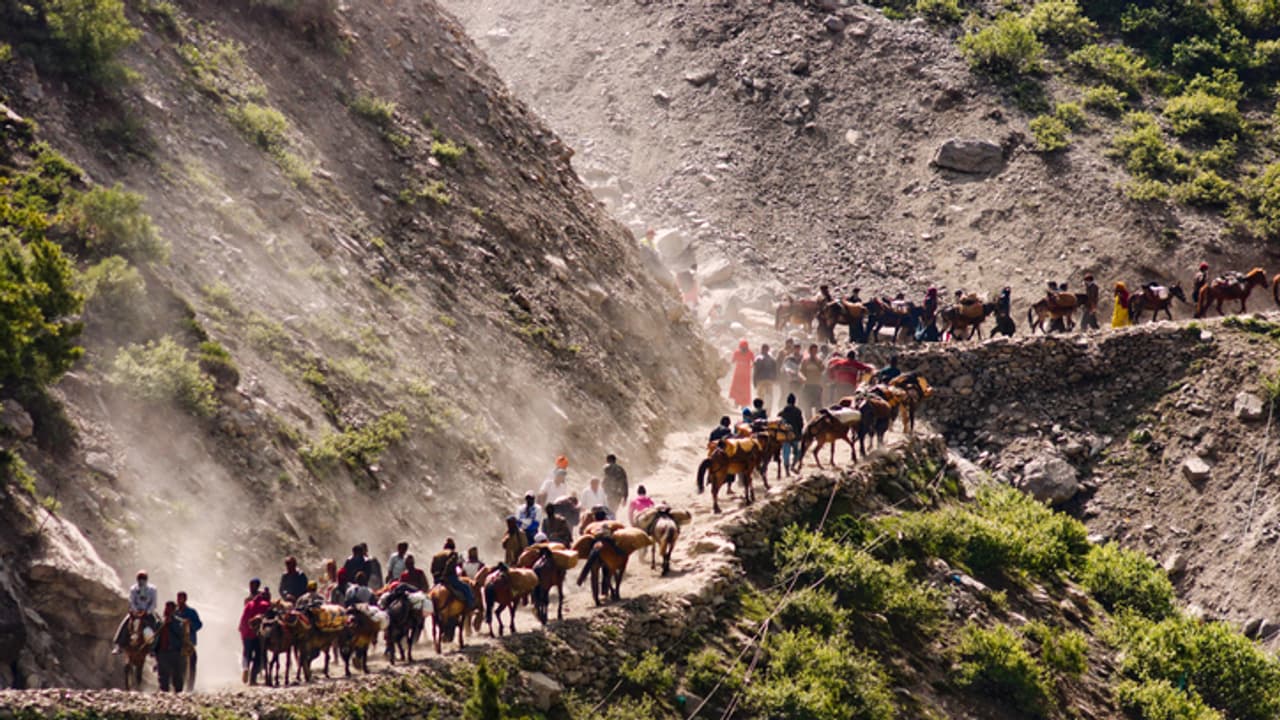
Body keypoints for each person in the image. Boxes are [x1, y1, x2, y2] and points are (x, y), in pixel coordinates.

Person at [112, 570, 158, 654]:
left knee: (156, 625)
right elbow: (132, 601)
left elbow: (153, 603)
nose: (141, 581)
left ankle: (153, 648)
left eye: (143, 579)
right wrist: (136, 611)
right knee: (125, 624)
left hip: (147, 613)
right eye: (140, 579)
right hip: (136, 613)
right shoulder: (133, 589)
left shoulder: (152, 589)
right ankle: (119, 645)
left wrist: (147, 611)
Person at [152, 601, 190, 693]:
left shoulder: (179, 622)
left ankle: (178, 695)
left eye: (169, 609)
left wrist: (171, 623)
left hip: (175, 652)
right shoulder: (159, 622)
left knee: (177, 676)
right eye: (166, 608)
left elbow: (180, 634)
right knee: (163, 676)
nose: (167, 610)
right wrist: (153, 650)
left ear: (173, 610)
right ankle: (164, 694)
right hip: (162, 652)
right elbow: (156, 637)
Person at [239, 588, 270, 685]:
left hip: (246, 633)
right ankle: (253, 678)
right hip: (258, 635)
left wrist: (242, 632)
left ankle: (245, 668)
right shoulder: (266, 605)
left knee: (246, 654)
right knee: (259, 656)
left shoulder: (249, 604)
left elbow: (243, 619)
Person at [174, 591, 202, 692]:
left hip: (189, 643)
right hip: (177, 643)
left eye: (182, 598)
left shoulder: (191, 612)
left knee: (192, 663)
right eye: (179, 598)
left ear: (185, 599)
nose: (180, 600)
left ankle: (190, 687)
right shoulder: (174, 612)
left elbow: (199, 624)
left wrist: (190, 625)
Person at [778, 394, 804, 475]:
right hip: (796, 436)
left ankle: (787, 471)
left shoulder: (783, 412)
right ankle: (793, 466)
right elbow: (801, 424)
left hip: (785, 436)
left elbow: (779, 422)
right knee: (798, 453)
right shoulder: (798, 411)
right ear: (794, 401)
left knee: (786, 453)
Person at [800, 344, 825, 412]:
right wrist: (803, 378)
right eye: (812, 351)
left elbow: (822, 369)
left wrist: (816, 362)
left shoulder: (819, 361)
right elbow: (801, 372)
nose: (814, 352)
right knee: (807, 405)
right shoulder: (805, 361)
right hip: (808, 385)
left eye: (815, 351)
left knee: (818, 406)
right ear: (809, 351)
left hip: (817, 385)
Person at [729, 340, 754, 408]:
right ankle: (740, 404)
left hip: (739, 374)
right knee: (744, 389)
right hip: (744, 375)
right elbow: (754, 363)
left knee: (739, 388)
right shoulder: (749, 353)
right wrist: (750, 367)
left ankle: (739, 404)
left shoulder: (738, 352)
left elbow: (732, 361)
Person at [753, 343, 778, 411]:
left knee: (760, 396)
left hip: (760, 380)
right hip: (769, 380)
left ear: (761, 349)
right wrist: (775, 379)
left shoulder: (758, 358)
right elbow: (775, 370)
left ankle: (759, 410)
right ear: (768, 350)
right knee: (769, 396)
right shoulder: (772, 359)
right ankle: (769, 411)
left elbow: (756, 371)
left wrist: (754, 381)